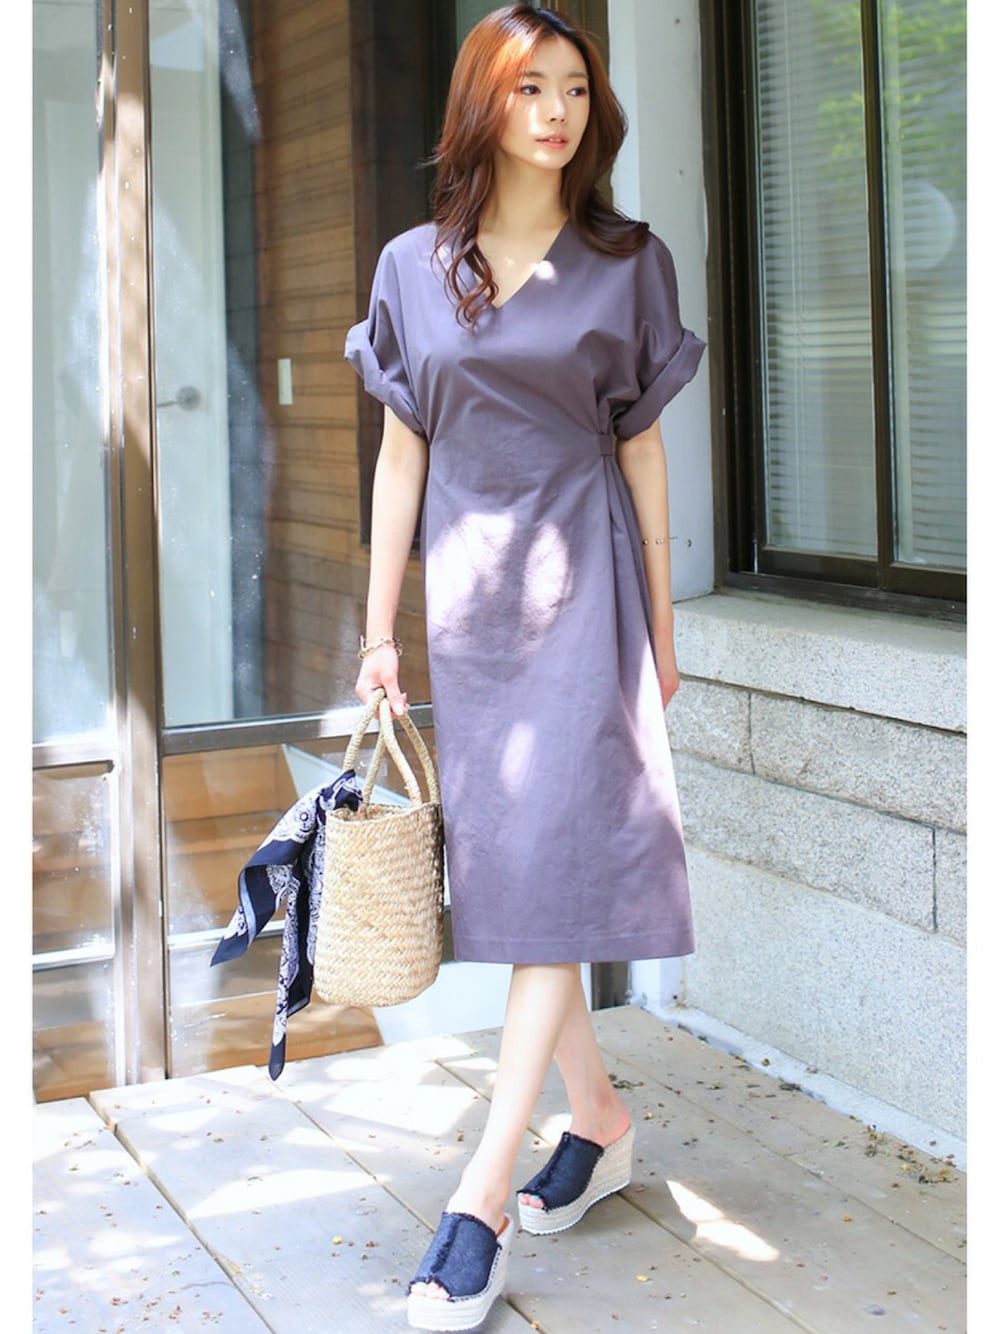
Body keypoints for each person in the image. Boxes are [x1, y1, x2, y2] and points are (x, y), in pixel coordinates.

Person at [345, 5, 705, 1329]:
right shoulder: (410, 266)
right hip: (473, 607)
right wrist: (379, 632)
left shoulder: (628, 261)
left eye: (575, 89)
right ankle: (598, 1117)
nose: (556, 111)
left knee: (548, 875)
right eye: (529, 87)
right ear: (482, 105)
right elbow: (402, 456)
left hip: (588, 589)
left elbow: (642, 448)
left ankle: (481, 1194)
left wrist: (663, 625)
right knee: (525, 873)